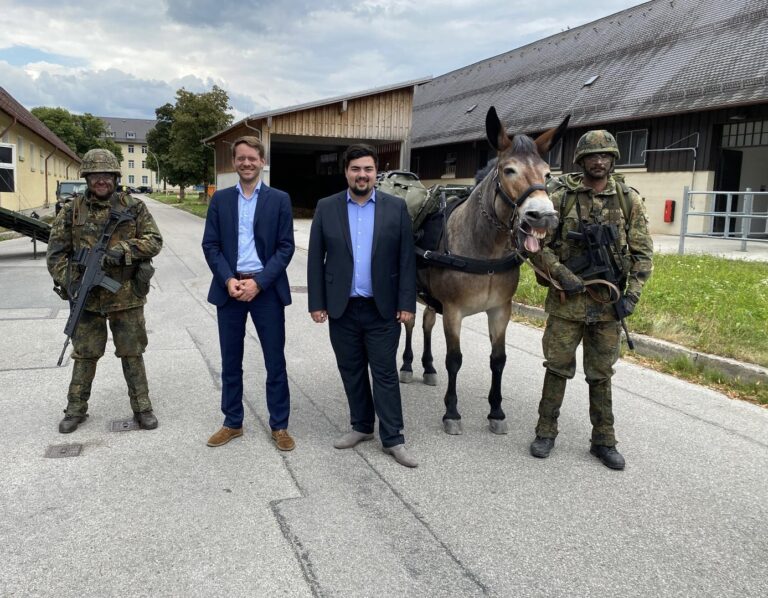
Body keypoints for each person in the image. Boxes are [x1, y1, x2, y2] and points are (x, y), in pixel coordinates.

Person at [528, 130, 653, 470]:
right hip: (567, 302)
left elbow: (643, 254)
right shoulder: (559, 197)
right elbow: (535, 243)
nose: (600, 161)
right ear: (581, 161)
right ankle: (545, 431)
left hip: (608, 306)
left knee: (601, 375)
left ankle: (604, 441)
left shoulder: (629, 200)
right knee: (556, 369)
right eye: (593, 156)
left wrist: (631, 297)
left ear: (613, 160)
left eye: (606, 156)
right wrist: (561, 273)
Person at [307, 144, 418, 468]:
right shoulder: (326, 208)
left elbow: (406, 260)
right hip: (342, 308)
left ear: (376, 173)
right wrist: (317, 302)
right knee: (351, 371)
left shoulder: (395, 208)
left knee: (384, 373)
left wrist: (406, 304)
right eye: (356, 169)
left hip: (382, 309)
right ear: (346, 172)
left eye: (368, 169)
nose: (362, 175)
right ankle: (361, 427)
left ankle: (393, 439)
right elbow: (316, 259)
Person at [47, 149, 163, 433]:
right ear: (87, 177)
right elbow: (56, 255)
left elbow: (154, 241)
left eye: (106, 175)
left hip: (126, 296)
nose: (101, 181)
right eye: (95, 176)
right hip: (87, 299)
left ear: (115, 177)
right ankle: (75, 410)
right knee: (85, 354)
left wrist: (123, 250)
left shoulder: (133, 207)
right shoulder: (71, 211)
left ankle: (142, 408)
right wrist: (73, 282)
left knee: (132, 353)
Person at [202, 136, 296, 451]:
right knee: (231, 361)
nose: (246, 163)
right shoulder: (221, 200)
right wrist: (228, 279)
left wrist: (260, 282)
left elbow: (285, 248)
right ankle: (232, 422)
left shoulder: (279, 199)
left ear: (262, 161)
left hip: (265, 289)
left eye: (252, 158)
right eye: (241, 158)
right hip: (230, 289)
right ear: (234, 162)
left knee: (275, 360)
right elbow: (210, 245)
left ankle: (279, 425)